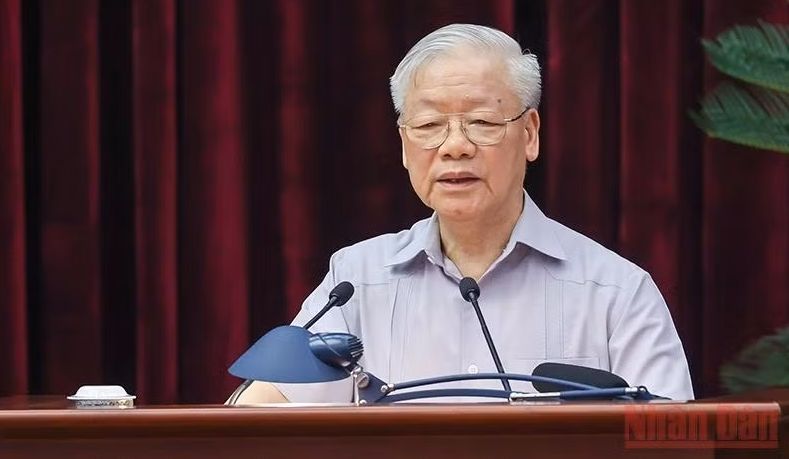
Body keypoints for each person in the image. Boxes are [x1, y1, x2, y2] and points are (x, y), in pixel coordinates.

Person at [229, 23, 694, 405]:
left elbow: (669, 441)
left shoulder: (616, 293)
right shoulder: (355, 282)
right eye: (429, 125)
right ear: (404, 145)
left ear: (530, 134)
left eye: (482, 122)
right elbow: (262, 416)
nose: (454, 146)